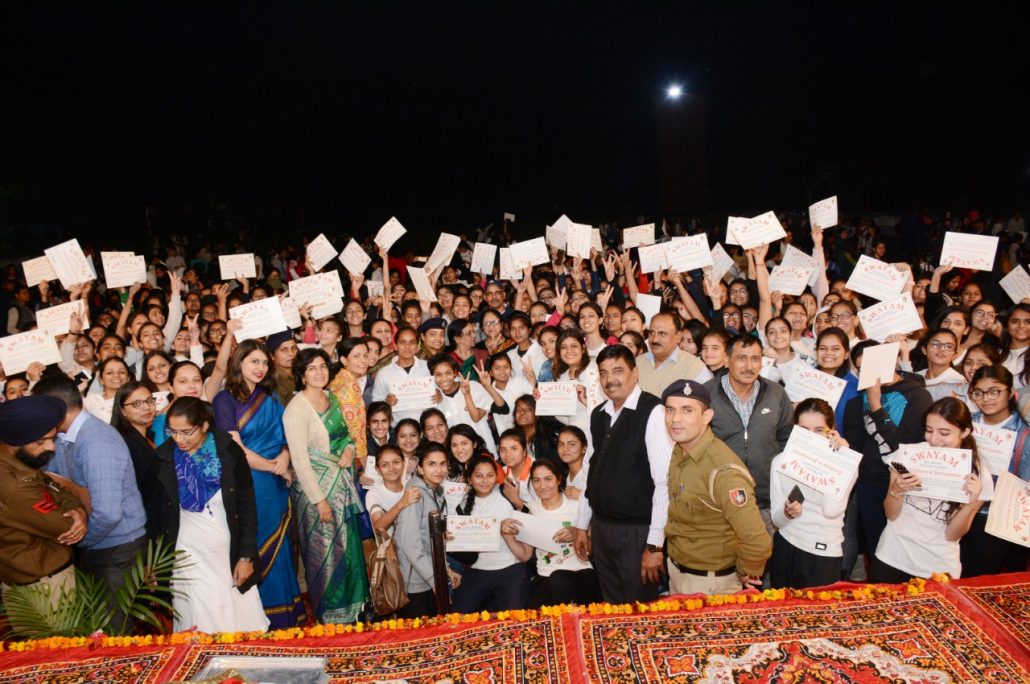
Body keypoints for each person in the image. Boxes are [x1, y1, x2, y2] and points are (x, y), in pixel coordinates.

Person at [34, 375, 148, 623]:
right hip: (98, 545)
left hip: (117, 550)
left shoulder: (97, 440)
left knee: (114, 634)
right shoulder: (62, 438)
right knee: (97, 630)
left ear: (57, 410)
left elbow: (107, 514)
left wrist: (79, 539)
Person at [155, 396, 268, 633]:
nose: (179, 439)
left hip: (227, 550)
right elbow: (153, 513)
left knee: (237, 614)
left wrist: (246, 556)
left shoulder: (228, 451)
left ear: (204, 425)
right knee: (200, 615)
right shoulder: (163, 458)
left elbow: (247, 505)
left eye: (187, 432)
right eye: (173, 432)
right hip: (187, 550)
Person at [213, 340, 305, 628]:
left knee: (281, 548)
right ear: (239, 362)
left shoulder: (271, 397)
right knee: (254, 545)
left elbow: (286, 434)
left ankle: (286, 617)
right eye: (254, 361)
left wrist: (285, 458)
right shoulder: (223, 400)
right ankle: (258, 619)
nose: (261, 368)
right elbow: (235, 448)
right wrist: (274, 467)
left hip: (276, 481)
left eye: (264, 363)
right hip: (248, 483)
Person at [574, 345, 669, 604]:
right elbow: (589, 473)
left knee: (639, 610)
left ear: (635, 373)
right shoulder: (598, 414)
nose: (609, 380)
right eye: (603, 373)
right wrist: (583, 525)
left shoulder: (653, 412)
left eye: (617, 371)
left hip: (637, 533)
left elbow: (664, 483)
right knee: (612, 606)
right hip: (603, 530)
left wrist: (654, 545)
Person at [283, 348, 369, 623]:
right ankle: (330, 617)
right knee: (325, 555)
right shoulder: (296, 408)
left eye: (322, 366)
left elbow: (347, 437)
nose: (319, 372)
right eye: (312, 368)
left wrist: (349, 451)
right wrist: (319, 499)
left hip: (342, 486)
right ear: (302, 375)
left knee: (349, 550)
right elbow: (299, 459)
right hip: (316, 493)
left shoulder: (332, 397)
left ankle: (354, 611)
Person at [663, 379, 772, 595]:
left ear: (706, 417)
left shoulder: (722, 470)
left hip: (711, 584)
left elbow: (757, 540)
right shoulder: (680, 450)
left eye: (687, 411)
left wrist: (745, 573)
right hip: (678, 572)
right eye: (670, 410)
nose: (675, 419)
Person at [871, 397, 989, 581]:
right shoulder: (906, 455)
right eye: (929, 430)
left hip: (937, 567)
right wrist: (897, 489)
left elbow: (952, 535)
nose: (934, 440)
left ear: (965, 431)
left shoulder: (979, 474)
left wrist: (970, 505)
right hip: (892, 556)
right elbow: (891, 514)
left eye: (944, 433)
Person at [843, 341, 933, 563]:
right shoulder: (856, 403)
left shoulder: (918, 395)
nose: (868, 374)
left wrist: (876, 406)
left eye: (871, 365)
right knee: (875, 546)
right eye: (861, 368)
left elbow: (905, 444)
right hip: (869, 483)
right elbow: (855, 447)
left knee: (902, 549)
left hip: (903, 483)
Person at [0, 395, 87, 605]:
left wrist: (77, 508)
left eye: (52, 438)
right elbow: (66, 526)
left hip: (27, 580)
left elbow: (52, 484)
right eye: (41, 441)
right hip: (43, 586)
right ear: (14, 443)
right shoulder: (15, 485)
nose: (52, 447)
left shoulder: (16, 462)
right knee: (60, 639)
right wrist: (77, 513)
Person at [705, 335, 794, 533]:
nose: (749, 366)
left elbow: (788, 442)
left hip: (765, 501)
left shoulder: (776, 394)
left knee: (763, 559)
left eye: (755, 359)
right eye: (741, 358)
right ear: (727, 360)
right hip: (718, 501)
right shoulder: (706, 394)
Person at [769, 398, 854, 589]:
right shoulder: (780, 462)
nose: (812, 437)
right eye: (803, 429)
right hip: (785, 546)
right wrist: (787, 513)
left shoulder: (845, 463)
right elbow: (777, 521)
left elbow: (831, 510)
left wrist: (838, 462)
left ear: (832, 429)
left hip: (821, 555)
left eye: (819, 430)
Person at [503, 459, 601, 608]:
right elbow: (525, 555)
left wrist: (577, 533)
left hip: (580, 573)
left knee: (559, 580)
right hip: (546, 576)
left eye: (548, 479)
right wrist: (506, 534)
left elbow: (593, 549)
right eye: (537, 480)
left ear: (558, 479)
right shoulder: (531, 511)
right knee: (531, 617)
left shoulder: (577, 507)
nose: (542, 486)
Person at [963, 364, 1030, 575]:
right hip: (960, 512)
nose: (986, 398)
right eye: (979, 393)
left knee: (975, 579)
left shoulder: (1024, 435)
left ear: (1011, 393)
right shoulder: (966, 425)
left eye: (994, 391)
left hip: (994, 519)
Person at [451, 454, 530, 612]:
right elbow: (464, 551)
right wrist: (452, 540)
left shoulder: (506, 494)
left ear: (496, 477)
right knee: (457, 618)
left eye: (490, 475)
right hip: (478, 570)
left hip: (510, 568)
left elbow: (528, 518)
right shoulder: (461, 505)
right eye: (479, 476)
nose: (485, 480)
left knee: (514, 621)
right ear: (470, 479)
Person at [393, 443, 455, 618]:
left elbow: (434, 540)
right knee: (419, 636)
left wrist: (446, 569)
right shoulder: (415, 494)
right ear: (420, 468)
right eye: (432, 464)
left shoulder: (436, 491)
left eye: (443, 464)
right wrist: (434, 579)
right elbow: (408, 542)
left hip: (431, 577)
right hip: (415, 583)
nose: (439, 470)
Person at [111, 381, 166, 542]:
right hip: (140, 527)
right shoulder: (125, 442)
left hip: (155, 519)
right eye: (137, 404)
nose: (146, 407)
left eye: (149, 401)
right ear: (123, 411)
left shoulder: (148, 436)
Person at [635, 312, 712, 397]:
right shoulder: (636, 363)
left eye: (662, 334)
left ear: (678, 336)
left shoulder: (695, 368)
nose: (655, 339)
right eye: (652, 333)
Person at [373, 326, 431, 425]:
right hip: (398, 430)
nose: (407, 347)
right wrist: (386, 403)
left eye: (412, 342)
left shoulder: (429, 367)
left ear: (417, 347)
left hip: (427, 428)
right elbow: (376, 405)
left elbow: (442, 393)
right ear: (395, 346)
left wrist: (439, 396)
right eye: (402, 342)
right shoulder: (383, 373)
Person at [366, 445, 421, 538]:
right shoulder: (373, 494)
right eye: (384, 465)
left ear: (403, 463)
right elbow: (378, 528)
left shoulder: (413, 486)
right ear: (378, 469)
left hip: (416, 547)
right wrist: (401, 503)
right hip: (390, 550)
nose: (391, 468)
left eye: (396, 462)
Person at [267, 330, 299, 407]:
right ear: (271, 355)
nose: (291, 354)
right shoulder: (273, 383)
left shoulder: (300, 371)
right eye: (284, 350)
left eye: (293, 348)